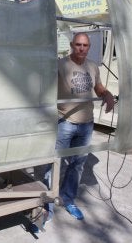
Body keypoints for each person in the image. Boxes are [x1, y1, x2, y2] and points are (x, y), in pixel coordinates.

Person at [48, 32, 115, 222]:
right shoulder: (60, 65)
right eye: (78, 44)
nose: (81, 48)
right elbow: (46, 88)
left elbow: (99, 88)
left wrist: (107, 94)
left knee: (77, 165)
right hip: (64, 122)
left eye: (85, 45)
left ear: (89, 47)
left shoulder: (93, 67)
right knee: (53, 162)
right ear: (71, 45)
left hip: (86, 125)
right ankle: (47, 203)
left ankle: (68, 199)